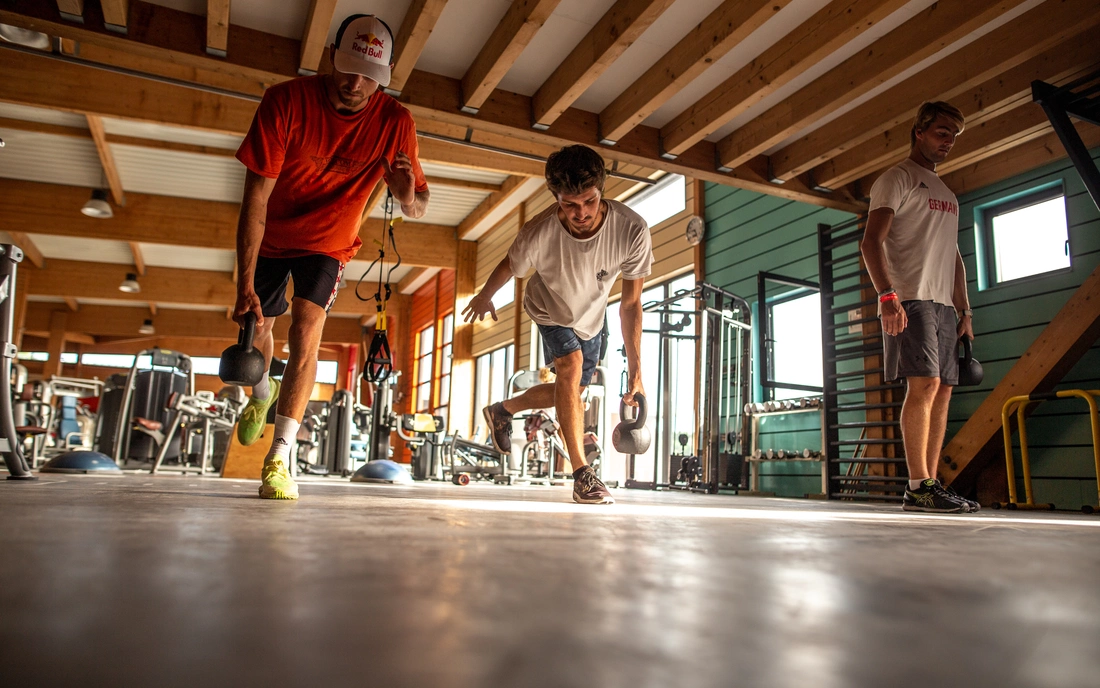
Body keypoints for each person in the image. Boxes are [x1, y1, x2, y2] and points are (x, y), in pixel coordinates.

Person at [233, 14, 429, 500]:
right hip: (273, 236)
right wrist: (243, 283)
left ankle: (280, 456)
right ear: (331, 56)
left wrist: (405, 196)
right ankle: (262, 393)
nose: (355, 84)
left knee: (307, 329)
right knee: (258, 331)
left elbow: (419, 203)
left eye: (369, 76)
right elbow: (255, 197)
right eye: (348, 68)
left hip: (330, 241)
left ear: (382, 75)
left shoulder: (395, 121)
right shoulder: (286, 101)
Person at [462, 145, 652, 505]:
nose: (581, 213)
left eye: (590, 202)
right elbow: (509, 264)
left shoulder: (631, 230)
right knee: (571, 367)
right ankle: (582, 475)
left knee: (573, 396)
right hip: (547, 307)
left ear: (602, 192)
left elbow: (630, 304)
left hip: (592, 315)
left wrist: (637, 371)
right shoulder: (538, 232)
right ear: (556, 199)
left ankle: (504, 410)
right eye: (569, 204)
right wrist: (486, 295)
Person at [860, 101, 979, 513]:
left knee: (944, 390)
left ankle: (929, 485)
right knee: (924, 385)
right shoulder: (897, 179)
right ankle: (917, 484)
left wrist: (965, 312)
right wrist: (887, 296)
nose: (948, 142)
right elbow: (870, 241)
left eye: (954, 136)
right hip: (909, 297)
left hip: (945, 305)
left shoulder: (947, 194)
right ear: (920, 132)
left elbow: (955, 257)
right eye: (942, 133)